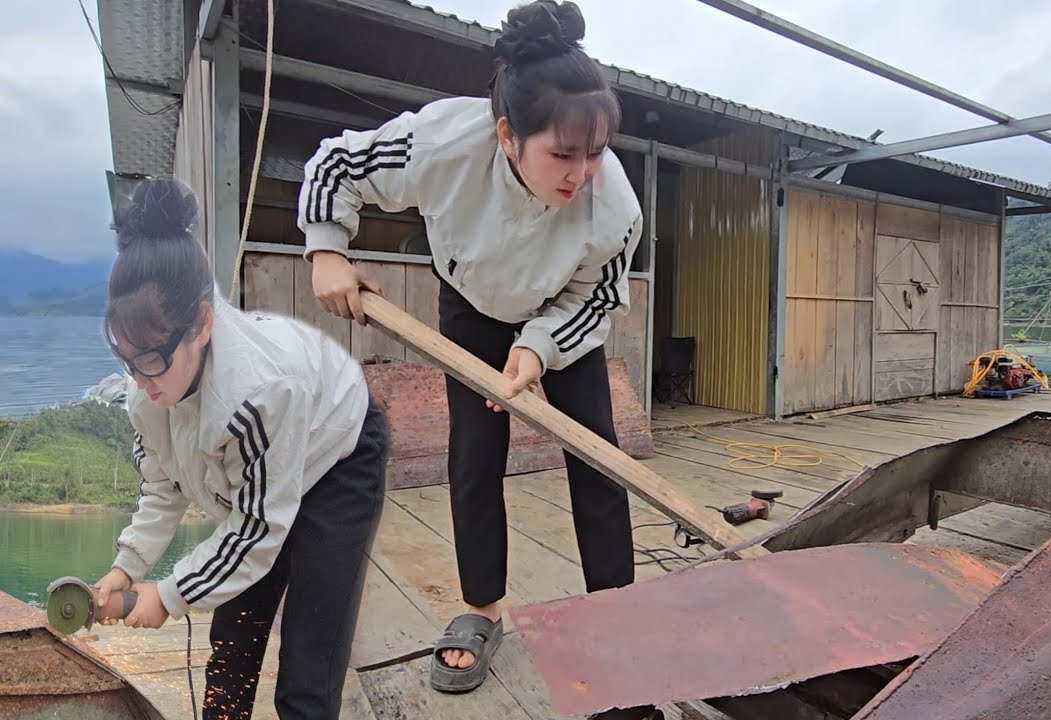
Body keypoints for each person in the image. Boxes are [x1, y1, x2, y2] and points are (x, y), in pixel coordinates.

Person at [296, 1, 657, 717]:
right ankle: (482, 609)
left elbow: (600, 297)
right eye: (563, 153)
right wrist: (327, 248)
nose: (582, 172)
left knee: (597, 454)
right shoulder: (441, 142)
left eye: (596, 152)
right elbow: (336, 162)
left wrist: (538, 347)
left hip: (561, 314)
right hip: (469, 306)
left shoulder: (613, 205)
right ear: (506, 135)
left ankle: (614, 613)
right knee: (473, 457)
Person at [94, 176, 389, 720]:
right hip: (265, 472)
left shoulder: (258, 392)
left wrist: (168, 595)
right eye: (126, 359)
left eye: (152, 359)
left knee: (308, 663)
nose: (140, 378)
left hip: (338, 458)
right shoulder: (149, 392)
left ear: (202, 324)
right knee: (231, 647)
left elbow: (255, 531)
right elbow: (163, 488)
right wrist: (126, 568)